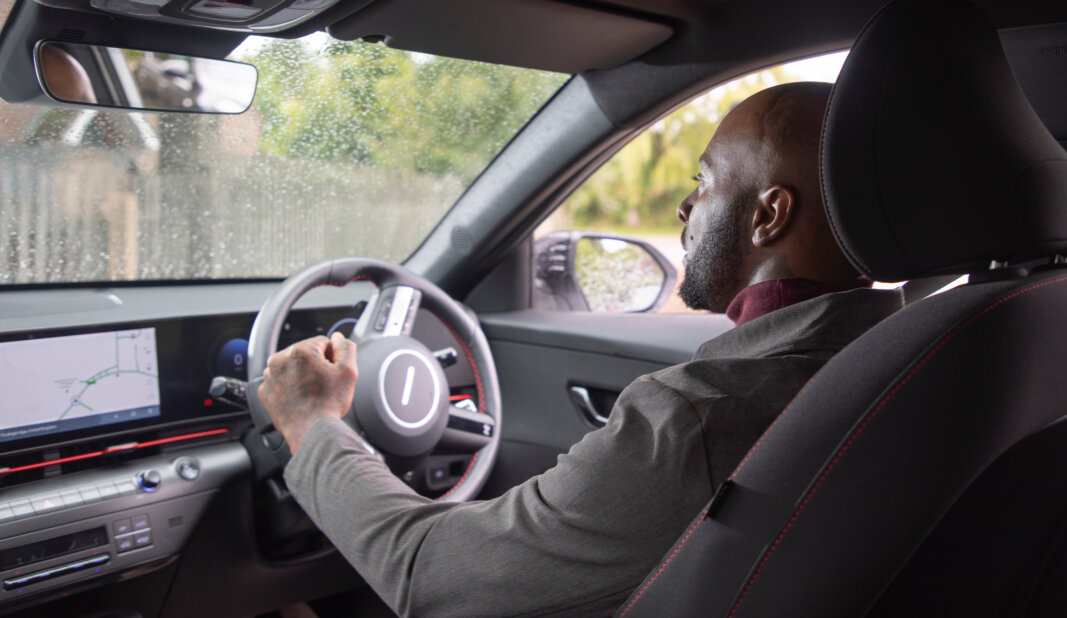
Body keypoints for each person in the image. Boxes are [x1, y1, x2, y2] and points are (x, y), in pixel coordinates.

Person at [259, 81, 903, 616]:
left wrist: (311, 421)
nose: (684, 206)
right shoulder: (921, 356)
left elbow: (428, 574)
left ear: (769, 216)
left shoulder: (695, 418)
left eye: (704, 182)